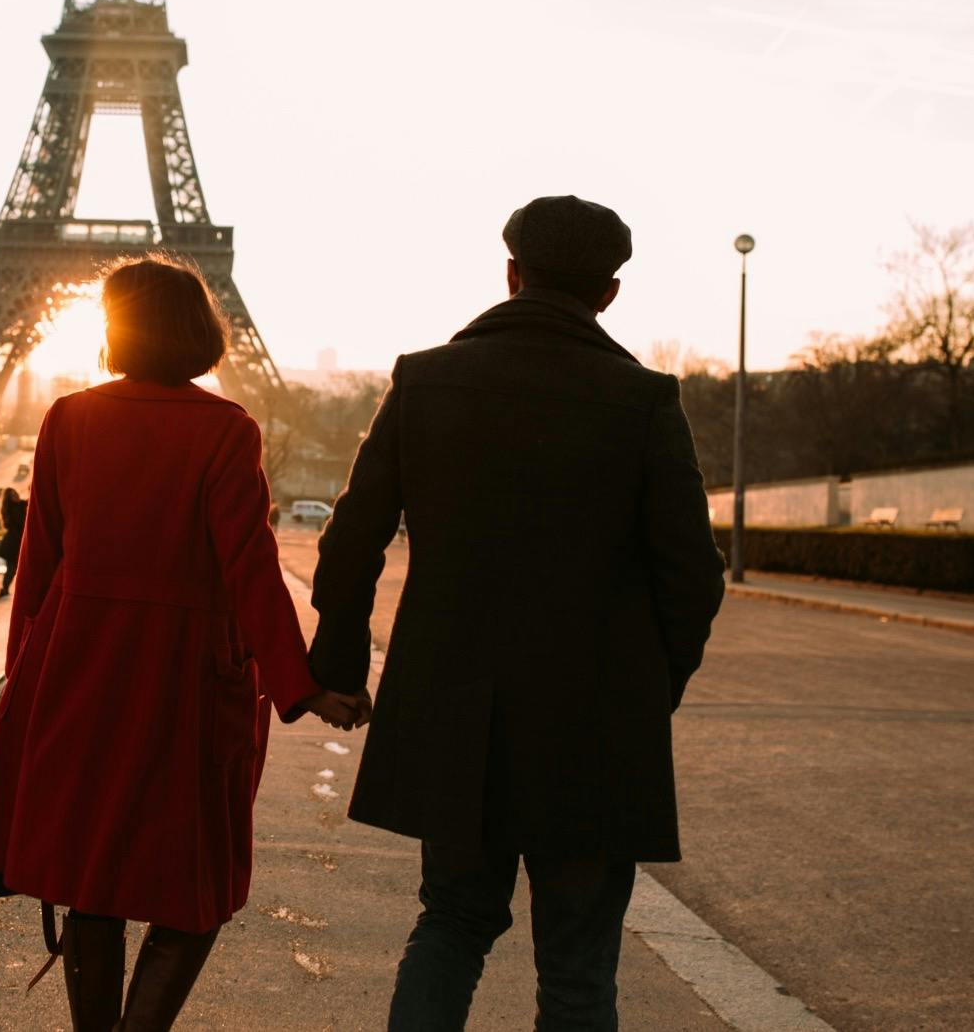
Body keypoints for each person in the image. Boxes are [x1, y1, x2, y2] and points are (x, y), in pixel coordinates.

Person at [308, 196, 726, 1032]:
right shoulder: (644, 399)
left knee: (452, 925)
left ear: (511, 275)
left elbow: (352, 540)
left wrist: (338, 669)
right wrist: (653, 686)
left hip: (456, 713)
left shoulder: (424, 381)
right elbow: (693, 575)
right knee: (577, 967)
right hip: (598, 721)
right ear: (609, 293)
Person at [0, 256, 366, 1032]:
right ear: (199, 330)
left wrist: (27, 685)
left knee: (92, 879)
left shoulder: (69, 419)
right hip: (184, 680)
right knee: (195, 890)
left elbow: (38, 567)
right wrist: (301, 684)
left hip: (78, 672)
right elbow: (251, 569)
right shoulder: (225, 431)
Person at [0, 486, 26, 599]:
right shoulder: (14, 508)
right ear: (8, 498)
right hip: (14, 544)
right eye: (12, 495)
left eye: (15, 493)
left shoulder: (16, 507)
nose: (15, 496)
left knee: (13, 569)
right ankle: (5, 589)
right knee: (12, 569)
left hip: (14, 542)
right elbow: (20, 522)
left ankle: (5, 589)